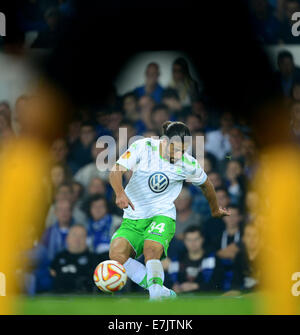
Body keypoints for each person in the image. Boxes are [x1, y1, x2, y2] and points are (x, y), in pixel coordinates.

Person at [108, 121, 230, 300]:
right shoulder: (143, 146)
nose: (179, 154)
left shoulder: (188, 163)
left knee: (151, 250)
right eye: (175, 149)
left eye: (183, 149)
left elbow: (207, 185)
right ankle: (162, 292)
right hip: (133, 216)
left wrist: (215, 209)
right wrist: (119, 193)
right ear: (164, 142)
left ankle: (156, 297)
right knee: (116, 255)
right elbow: (116, 170)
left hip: (162, 215)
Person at [169, 226, 221, 293]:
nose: (192, 243)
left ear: (202, 239)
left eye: (196, 239)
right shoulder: (177, 260)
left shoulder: (213, 259)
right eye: (189, 240)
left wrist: (196, 286)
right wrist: (174, 287)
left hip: (206, 300)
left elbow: (218, 284)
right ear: (184, 241)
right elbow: (168, 283)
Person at [50, 224, 99, 293]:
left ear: (86, 239)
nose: (77, 239)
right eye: (74, 235)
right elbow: (52, 274)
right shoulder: (59, 257)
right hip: (59, 298)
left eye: (81, 236)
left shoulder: (93, 259)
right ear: (67, 238)